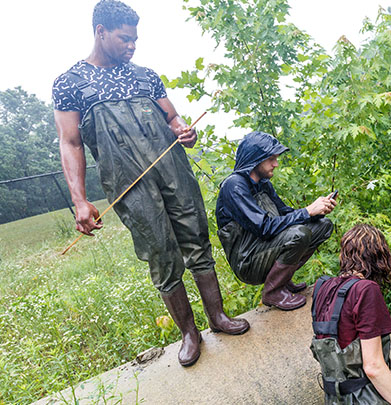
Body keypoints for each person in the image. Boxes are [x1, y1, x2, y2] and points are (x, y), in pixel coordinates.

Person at [52, 0, 249, 367]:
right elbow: (71, 142)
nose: (132, 47)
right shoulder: (70, 84)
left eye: (135, 40)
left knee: (196, 238)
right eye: (125, 39)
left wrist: (183, 131)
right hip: (128, 184)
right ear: (101, 32)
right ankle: (189, 334)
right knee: (160, 251)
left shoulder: (145, 75)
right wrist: (79, 200)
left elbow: (172, 117)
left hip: (173, 171)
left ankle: (218, 318)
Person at [216, 131, 336, 310]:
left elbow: (285, 214)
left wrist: (317, 212)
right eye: (271, 158)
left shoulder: (264, 184)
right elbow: (264, 228)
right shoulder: (234, 186)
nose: (276, 164)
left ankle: (282, 280)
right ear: (256, 159)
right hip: (248, 260)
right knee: (299, 234)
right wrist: (307, 211)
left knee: (323, 226)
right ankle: (272, 292)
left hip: (266, 247)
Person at [310, 224, 391, 405]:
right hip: (364, 398)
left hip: (334, 398)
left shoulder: (321, 286)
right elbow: (373, 367)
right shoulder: (366, 289)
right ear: (378, 256)